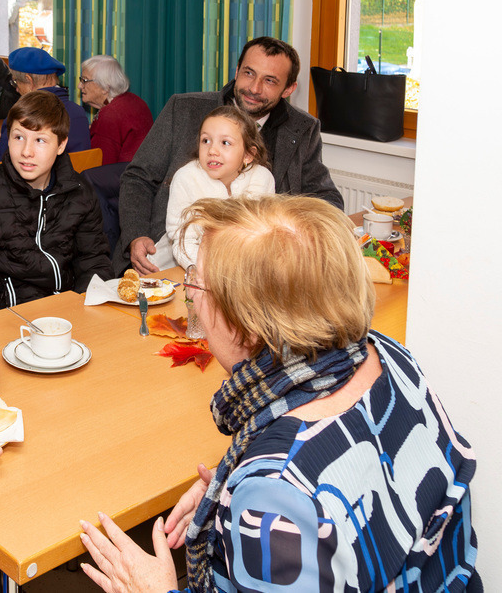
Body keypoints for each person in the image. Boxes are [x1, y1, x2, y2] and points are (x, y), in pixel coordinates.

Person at [80, 195, 479, 592]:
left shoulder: (274, 498)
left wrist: (156, 589)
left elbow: (297, 486)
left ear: (249, 324)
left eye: (197, 283)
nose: (192, 297)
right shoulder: (388, 354)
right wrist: (234, 481)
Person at [117, 36, 344, 275]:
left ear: (288, 89)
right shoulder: (184, 109)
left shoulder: (302, 128)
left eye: (269, 80)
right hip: (170, 257)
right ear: (236, 71)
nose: (254, 88)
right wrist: (136, 235)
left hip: (256, 265)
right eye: (249, 73)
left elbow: (326, 199)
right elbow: (137, 178)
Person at [0, 90, 113, 320]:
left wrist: (80, 315)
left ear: (61, 145)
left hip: (64, 319)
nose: (26, 152)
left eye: (40, 140)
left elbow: (95, 263)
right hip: (2, 322)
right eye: (18, 137)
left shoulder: (79, 191)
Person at [150, 105, 274, 270]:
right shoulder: (186, 178)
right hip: (178, 269)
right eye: (206, 141)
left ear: (248, 155)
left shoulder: (262, 178)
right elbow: (183, 242)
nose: (212, 150)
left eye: (225, 143)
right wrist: (210, 272)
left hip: (238, 270)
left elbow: (258, 235)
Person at [0, 46, 90, 163]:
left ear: (29, 80)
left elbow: (0, 163)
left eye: (15, 82)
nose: (16, 89)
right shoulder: (78, 111)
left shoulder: (22, 115)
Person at [79, 54, 153, 164]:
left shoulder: (110, 114)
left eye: (84, 80)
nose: (80, 86)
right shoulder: (135, 100)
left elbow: (100, 165)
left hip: (121, 173)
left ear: (105, 87)